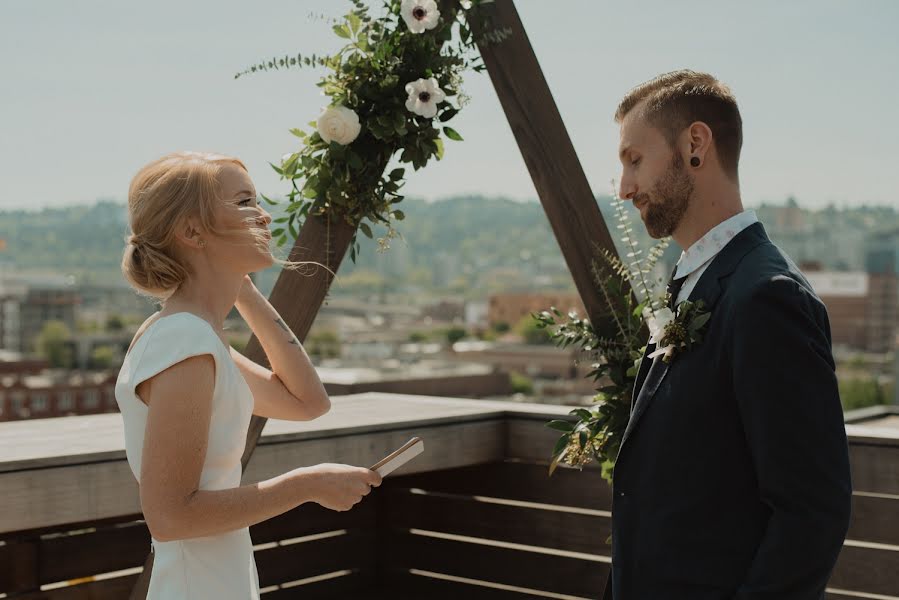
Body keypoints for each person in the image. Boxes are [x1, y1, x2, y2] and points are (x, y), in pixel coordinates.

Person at [603, 71, 852, 599]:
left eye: (634, 160)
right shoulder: (696, 284)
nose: (623, 189)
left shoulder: (766, 297)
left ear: (695, 144)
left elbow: (811, 513)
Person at [115, 151, 382, 599]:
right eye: (243, 202)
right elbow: (170, 516)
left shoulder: (197, 337)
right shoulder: (184, 341)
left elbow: (308, 402)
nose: (263, 215)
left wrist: (243, 289)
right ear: (192, 231)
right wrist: (306, 484)